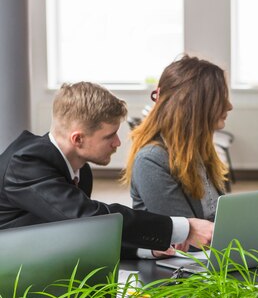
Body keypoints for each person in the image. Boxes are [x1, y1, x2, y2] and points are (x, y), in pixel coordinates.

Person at [0, 82, 213, 259]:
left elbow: (83, 233)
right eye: (110, 135)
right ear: (78, 139)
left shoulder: (80, 168)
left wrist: (146, 250)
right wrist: (185, 228)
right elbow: (90, 218)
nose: (118, 142)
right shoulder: (25, 162)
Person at [122, 55, 232, 257]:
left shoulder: (200, 150)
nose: (229, 106)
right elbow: (190, 241)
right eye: (219, 99)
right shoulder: (151, 159)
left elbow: (218, 219)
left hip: (211, 260)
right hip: (178, 274)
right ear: (195, 105)